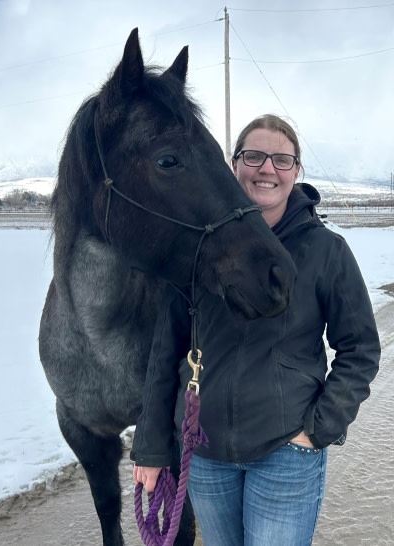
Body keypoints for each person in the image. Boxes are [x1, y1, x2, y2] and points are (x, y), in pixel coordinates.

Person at [131, 114, 380, 545]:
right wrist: (151, 448)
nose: (267, 168)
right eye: (255, 156)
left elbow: (360, 349)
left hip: (286, 451)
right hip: (205, 455)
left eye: (282, 160)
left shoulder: (326, 251)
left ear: (296, 171)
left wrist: (319, 428)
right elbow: (165, 351)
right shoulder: (195, 249)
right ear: (234, 165)